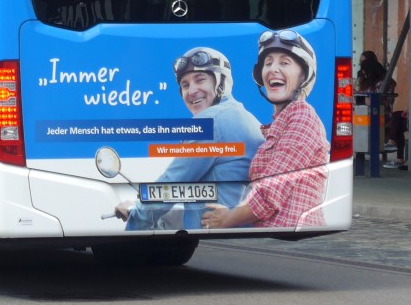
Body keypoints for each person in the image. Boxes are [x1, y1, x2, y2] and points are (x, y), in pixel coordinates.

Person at [115, 47, 264, 230]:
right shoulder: (251, 120)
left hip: (215, 241)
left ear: (221, 83)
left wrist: (137, 216)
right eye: (185, 85)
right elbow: (203, 193)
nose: (192, 90)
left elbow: (171, 185)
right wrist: (138, 205)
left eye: (200, 80)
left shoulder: (209, 121)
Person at [202, 29, 329, 230]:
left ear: (303, 75)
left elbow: (271, 191)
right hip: (277, 235)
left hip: (292, 236)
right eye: (268, 63)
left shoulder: (302, 117)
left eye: (284, 63)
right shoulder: (277, 124)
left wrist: (228, 219)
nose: (273, 69)